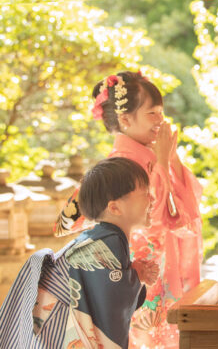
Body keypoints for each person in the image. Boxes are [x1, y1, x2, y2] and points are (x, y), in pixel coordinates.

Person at [54, 71, 203, 348]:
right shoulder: (120, 166)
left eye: (161, 112)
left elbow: (184, 214)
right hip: (137, 270)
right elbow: (151, 221)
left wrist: (170, 160)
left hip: (159, 265)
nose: (161, 120)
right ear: (125, 119)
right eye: (152, 113)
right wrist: (161, 163)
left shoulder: (152, 156)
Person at [0, 157, 160, 348]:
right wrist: (136, 275)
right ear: (114, 207)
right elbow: (110, 295)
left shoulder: (100, 238)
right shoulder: (109, 240)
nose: (152, 199)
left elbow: (105, 287)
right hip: (58, 327)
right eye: (145, 193)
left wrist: (132, 273)